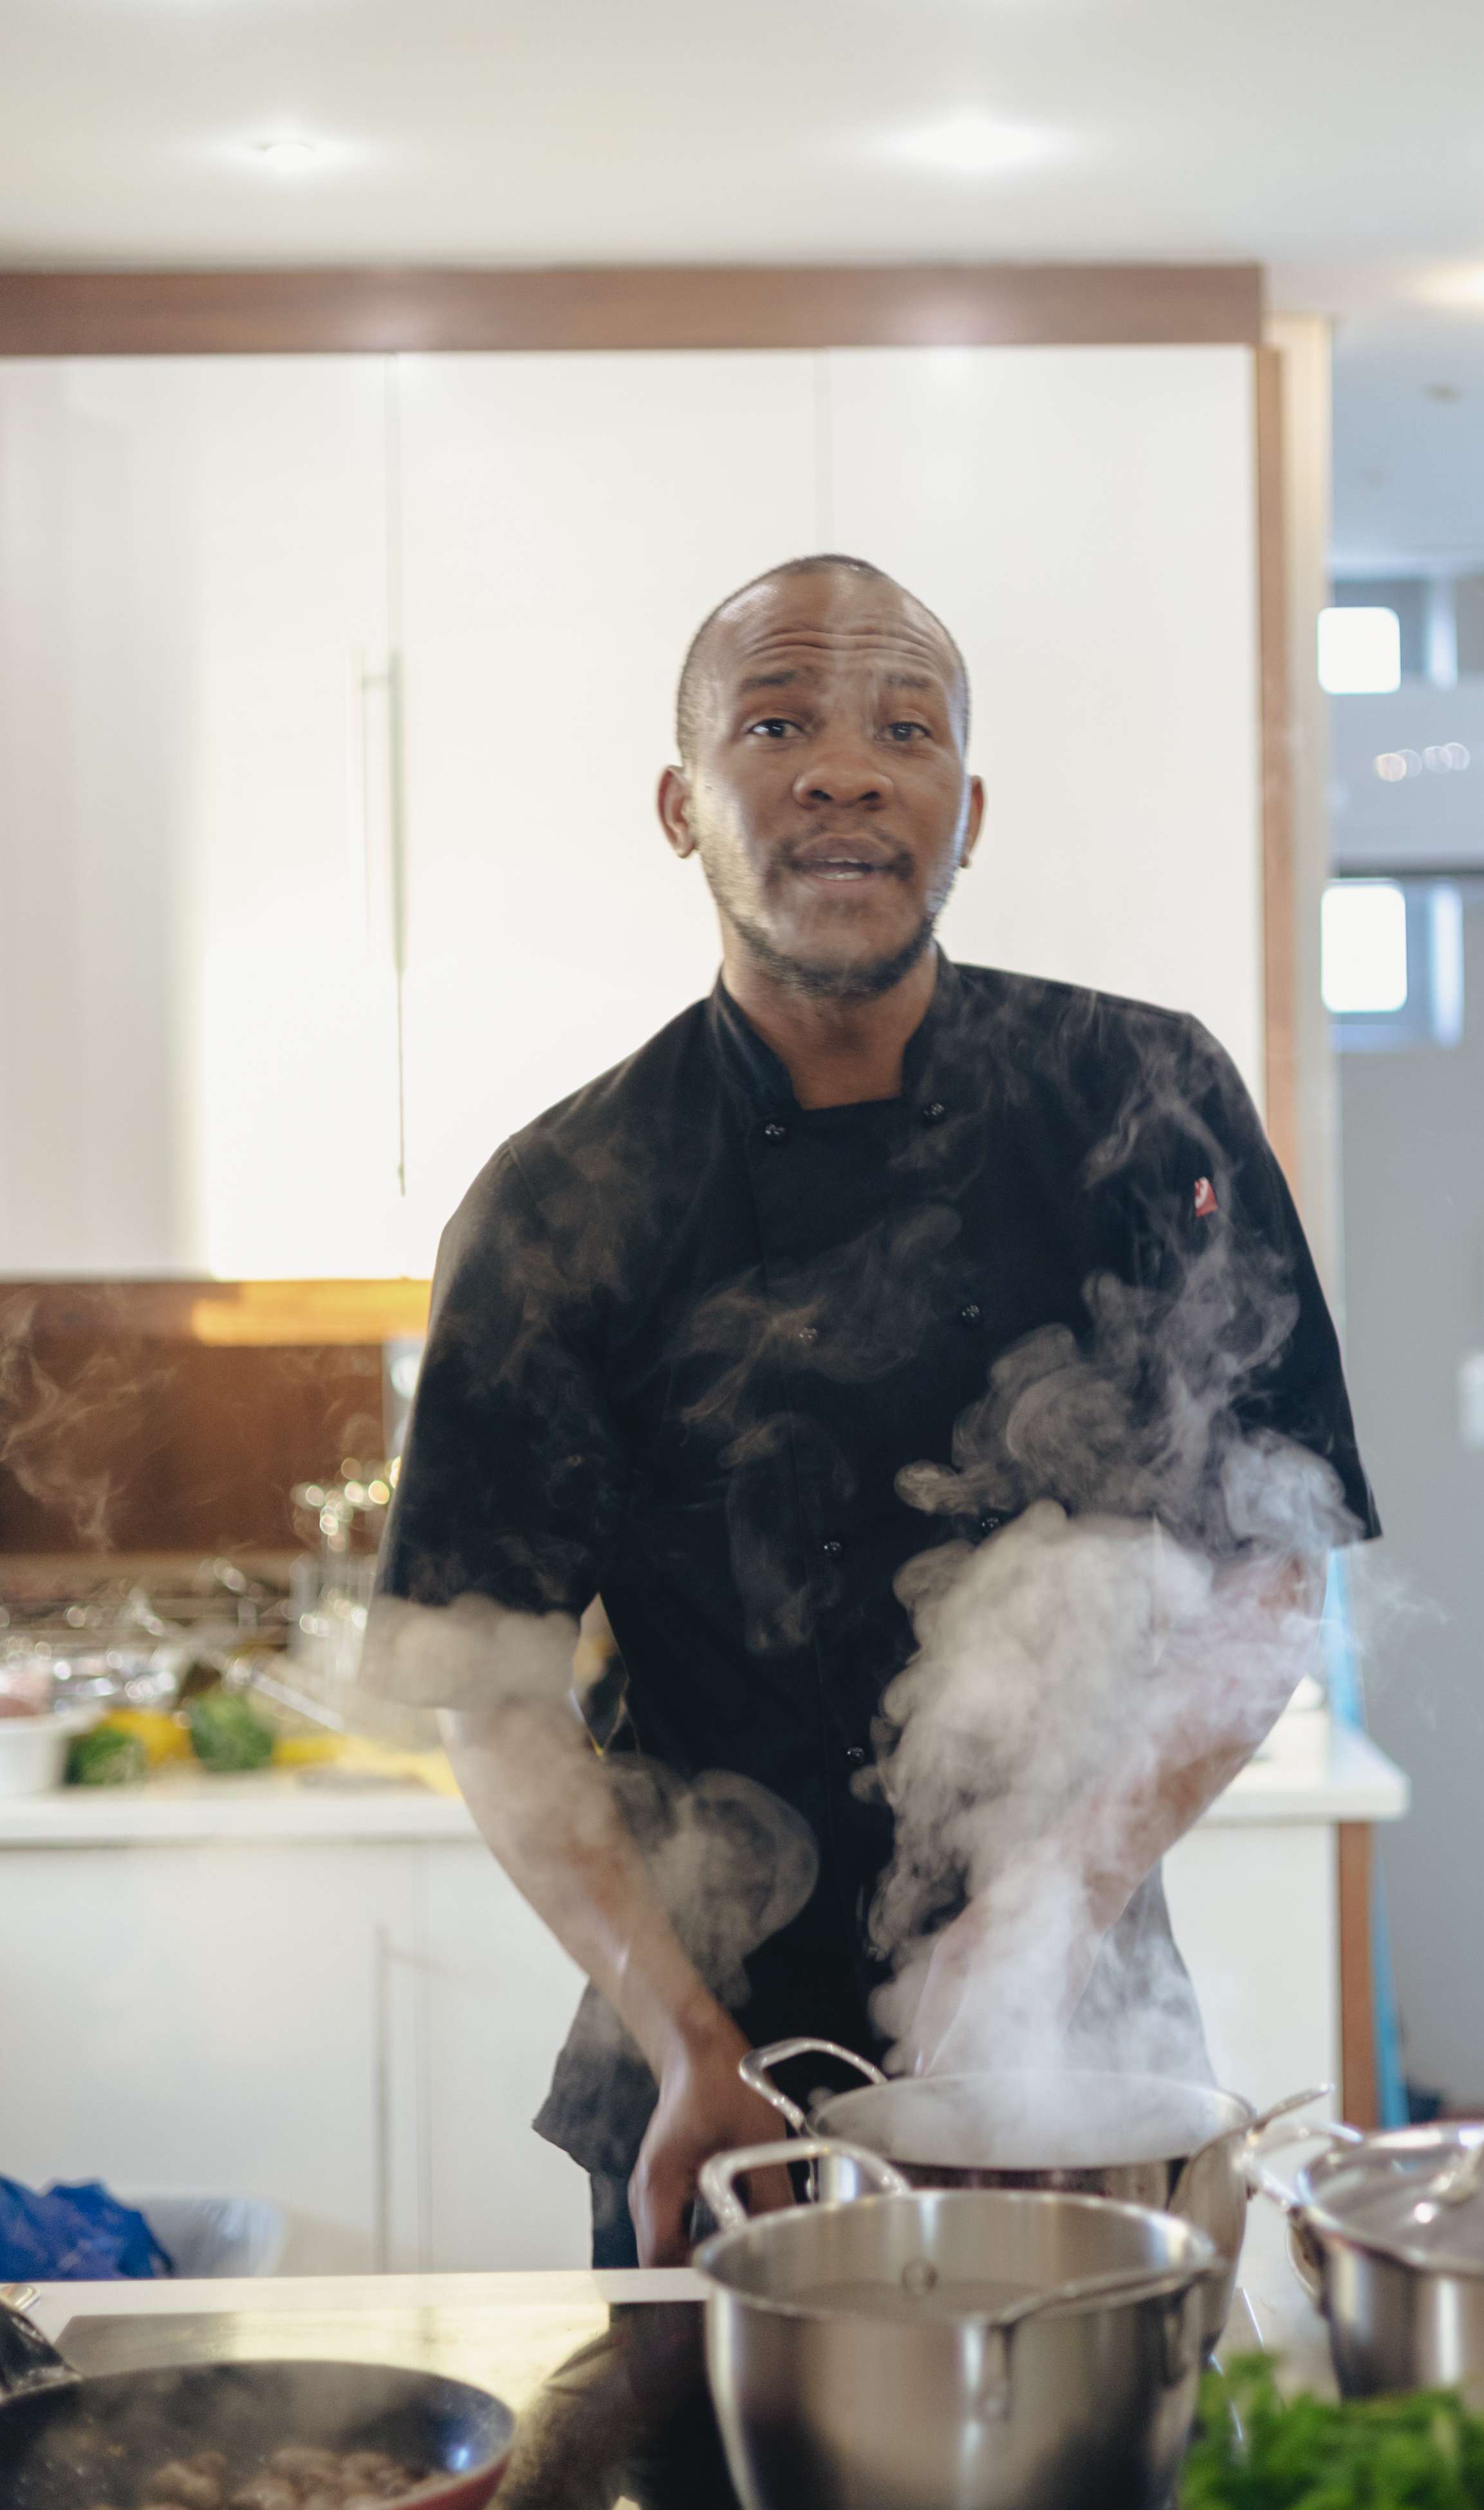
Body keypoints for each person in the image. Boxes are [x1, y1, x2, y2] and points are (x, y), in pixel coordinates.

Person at [361, 553, 1378, 2268]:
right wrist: (686, 2035)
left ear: (964, 813)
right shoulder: (563, 1198)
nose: (845, 765)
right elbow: (491, 1687)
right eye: (778, 724)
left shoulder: (1145, 1100)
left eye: (904, 728)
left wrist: (1054, 1904)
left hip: (1070, 2040)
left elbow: (1272, 1576)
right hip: (701, 2066)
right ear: (681, 806)